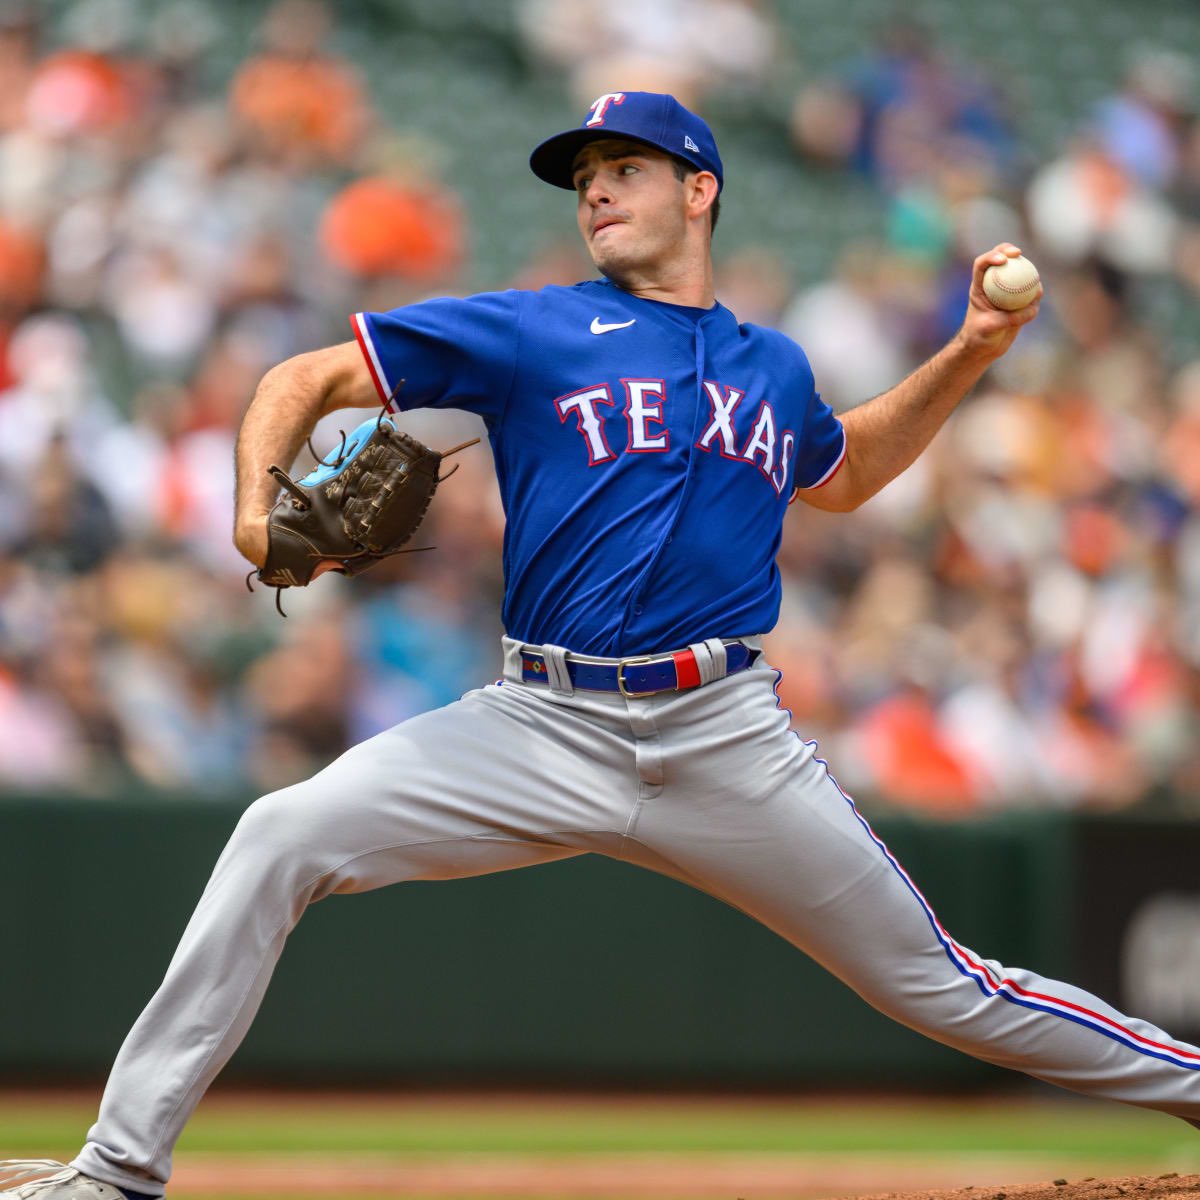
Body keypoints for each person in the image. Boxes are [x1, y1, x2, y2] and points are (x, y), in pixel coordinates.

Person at [4, 89, 1199, 1200]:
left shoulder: (770, 367)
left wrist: (973, 351)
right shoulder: (535, 331)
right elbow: (306, 374)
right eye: (584, 177)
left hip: (725, 736)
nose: (596, 192)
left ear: (701, 191)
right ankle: (116, 1171)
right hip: (540, 722)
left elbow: (845, 476)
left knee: (946, 990)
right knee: (279, 832)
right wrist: (255, 507)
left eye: (626, 168)